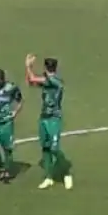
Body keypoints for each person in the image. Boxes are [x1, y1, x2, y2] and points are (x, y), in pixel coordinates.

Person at [25, 55, 72, 190]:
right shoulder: (47, 80)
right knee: (45, 148)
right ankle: (48, 177)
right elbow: (30, 81)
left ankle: (66, 174)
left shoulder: (55, 81)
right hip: (44, 118)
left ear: (46, 68)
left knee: (54, 148)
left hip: (54, 119)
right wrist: (28, 71)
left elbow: (33, 79)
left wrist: (28, 66)